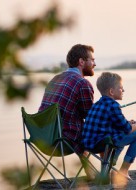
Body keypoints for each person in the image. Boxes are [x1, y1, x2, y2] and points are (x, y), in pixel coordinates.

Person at [39, 44, 96, 179]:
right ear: (81, 62)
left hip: (42, 138)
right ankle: (103, 174)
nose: (95, 63)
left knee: (77, 127)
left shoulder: (54, 79)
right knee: (98, 129)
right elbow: (90, 117)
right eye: (92, 60)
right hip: (62, 141)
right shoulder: (82, 83)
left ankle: (91, 172)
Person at [82, 72, 136, 187]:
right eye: (121, 88)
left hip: (88, 144)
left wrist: (128, 122)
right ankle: (123, 171)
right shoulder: (114, 106)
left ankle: (106, 171)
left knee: (119, 133)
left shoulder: (96, 104)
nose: (123, 91)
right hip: (102, 144)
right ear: (111, 92)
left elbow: (112, 123)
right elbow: (128, 130)